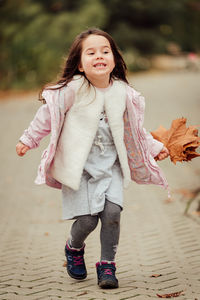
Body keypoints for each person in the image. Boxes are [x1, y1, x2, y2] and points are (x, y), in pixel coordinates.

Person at [16, 28, 169, 289]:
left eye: (105, 51)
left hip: (111, 166)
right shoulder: (72, 90)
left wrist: (154, 146)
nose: (99, 55)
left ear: (114, 59)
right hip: (80, 168)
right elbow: (47, 117)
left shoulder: (122, 93)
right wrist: (28, 140)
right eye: (91, 52)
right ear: (80, 64)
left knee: (112, 213)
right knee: (88, 219)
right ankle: (73, 247)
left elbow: (135, 127)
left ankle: (107, 265)